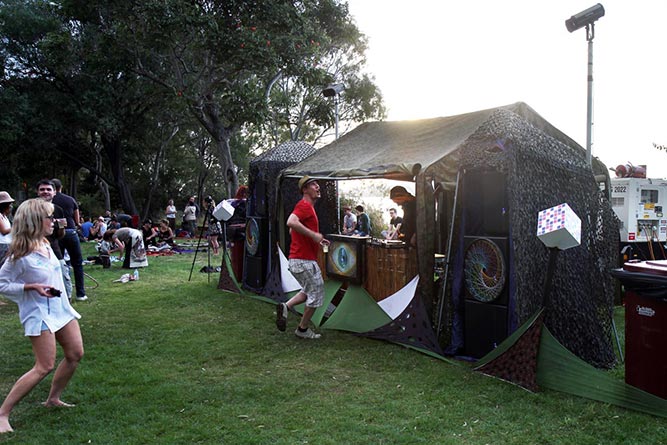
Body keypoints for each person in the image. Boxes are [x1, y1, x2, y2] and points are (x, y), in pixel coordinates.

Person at [0, 198, 84, 434]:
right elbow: (2, 283)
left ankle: (53, 399)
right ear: (35, 221)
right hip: (39, 313)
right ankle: (2, 413)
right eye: (49, 217)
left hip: (60, 309)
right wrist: (30, 287)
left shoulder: (45, 243)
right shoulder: (19, 255)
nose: (54, 221)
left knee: (75, 354)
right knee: (44, 365)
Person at [275, 176, 330, 339]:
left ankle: (286, 306)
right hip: (303, 260)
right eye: (313, 185)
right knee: (317, 291)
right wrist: (313, 235)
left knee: (308, 290)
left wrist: (315, 241)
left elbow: (293, 232)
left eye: (317, 184)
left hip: (299, 259)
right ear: (304, 190)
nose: (317, 187)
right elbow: (291, 222)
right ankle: (303, 329)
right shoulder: (304, 206)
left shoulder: (307, 208)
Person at [36, 180, 74, 301]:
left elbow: (61, 232)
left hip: (54, 247)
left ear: (54, 193)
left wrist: (58, 226)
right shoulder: (31, 208)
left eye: (48, 189)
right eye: (42, 189)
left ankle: (65, 299)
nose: (45, 192)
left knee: (63, 273)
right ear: (37, 192)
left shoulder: (58, 210)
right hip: (34, 248)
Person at [51, 179, 87, 302]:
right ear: (61, 187)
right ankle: (81, 294)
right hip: (71, 231)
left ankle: (61, 292)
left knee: (59, 263)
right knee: (77, 263)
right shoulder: (70, 200)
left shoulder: (49, 202)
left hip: (56, 234)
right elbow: (77, 220)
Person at [0, 191, 15, 266]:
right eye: (9, 205)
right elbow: (4, 231)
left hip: (7, 244)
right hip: (2, 245)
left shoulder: (4, 216)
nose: (11, 207)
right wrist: (17, 227)